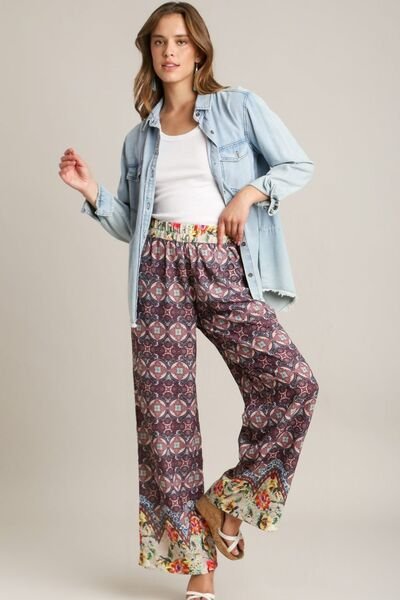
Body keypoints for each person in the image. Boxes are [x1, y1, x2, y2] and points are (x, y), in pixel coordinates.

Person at [58, 2, 320, 599]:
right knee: (166, 420)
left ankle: (225, 502)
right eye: (159, 42)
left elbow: (295, 163)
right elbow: (130, 224)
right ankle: (199, 572)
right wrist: (92, 191)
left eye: (179, 41)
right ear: (148, 51)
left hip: (220, 261)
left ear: (198, 49)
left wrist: (248, 194)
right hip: (158, 271)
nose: (169, 52)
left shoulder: (236, 107)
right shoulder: (140, 137)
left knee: (293, 383)